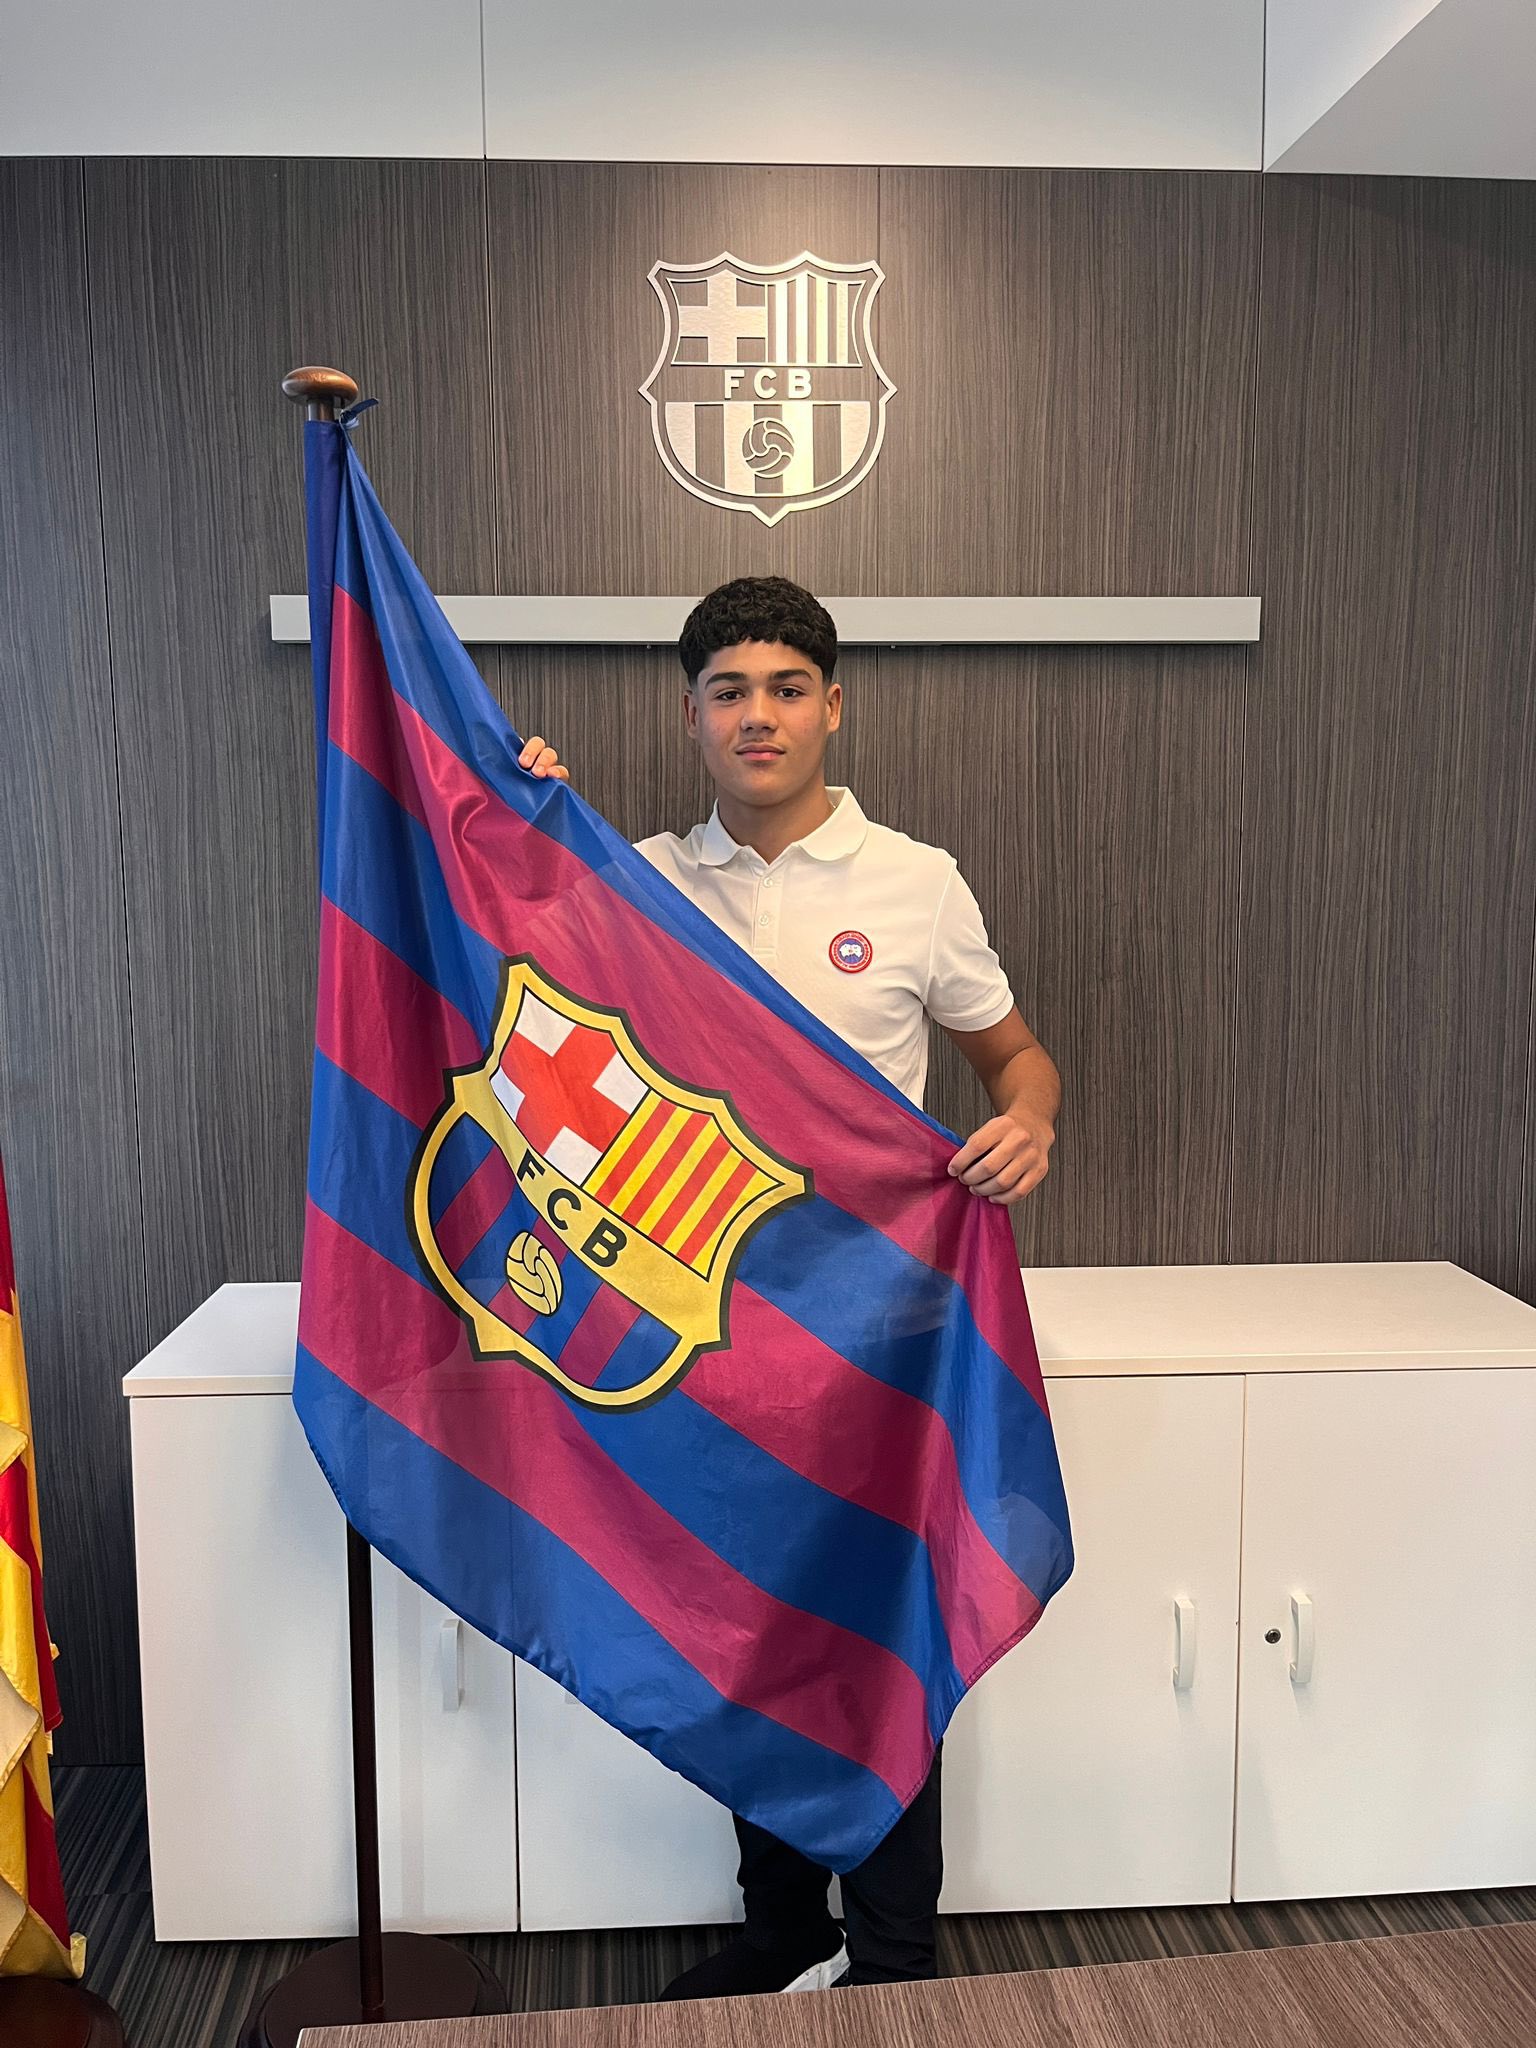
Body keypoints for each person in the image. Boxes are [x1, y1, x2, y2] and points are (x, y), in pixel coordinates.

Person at [516, 576, 1060, 1997]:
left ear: (833, 706)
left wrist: (1029, 1119)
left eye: (786, 688)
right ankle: (781, 1929)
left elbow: (1015, 1058)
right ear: (691, 716)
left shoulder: (915, 883)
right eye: (728, 691)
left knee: (878, 1636)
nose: (757, 715)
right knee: (743, 1626)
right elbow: (503, 952)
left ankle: (893, 1958)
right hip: (704, 1327)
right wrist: (518, 819)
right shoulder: (633, 880)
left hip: (879, 1333)